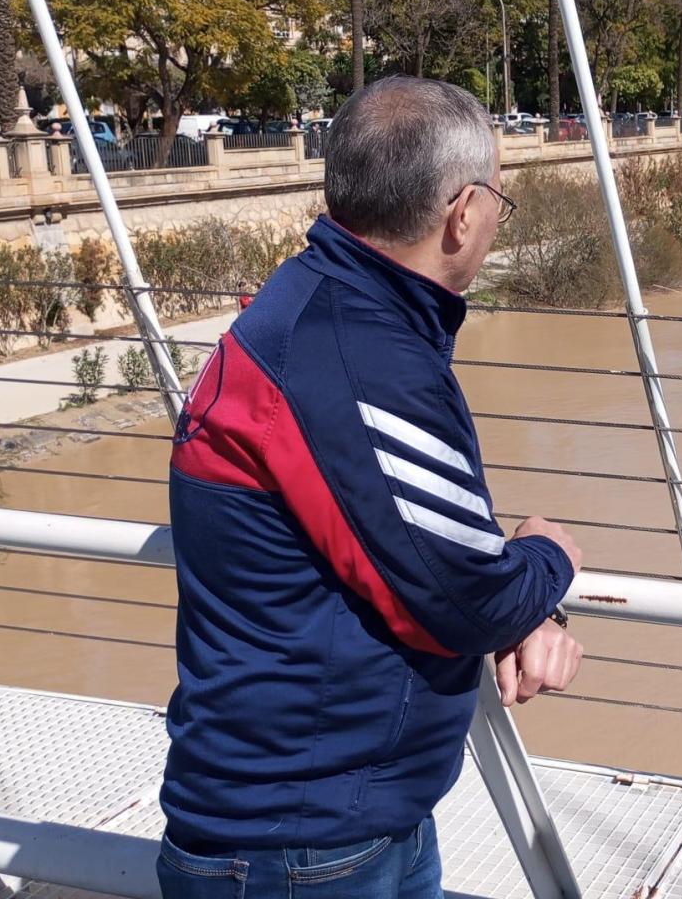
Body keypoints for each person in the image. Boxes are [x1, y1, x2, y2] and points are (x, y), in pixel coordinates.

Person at [159, 76, 582, 898]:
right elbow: (465, 599)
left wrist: (519, 592)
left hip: (326, 823)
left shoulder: (318, 306)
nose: (496, 216)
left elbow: (403, 544)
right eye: (499, 196)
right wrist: (549, 555)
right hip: (300, 844)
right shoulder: (358, 358)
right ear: (463, 212)